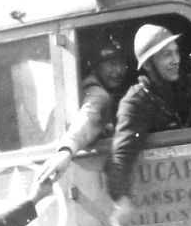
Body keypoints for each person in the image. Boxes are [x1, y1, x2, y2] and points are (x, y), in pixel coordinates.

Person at [106, 24, 191, 226]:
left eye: (176, 52)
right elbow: (119, 158)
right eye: (167, 55)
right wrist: (121, 199)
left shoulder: (177, 88)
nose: (176, 60)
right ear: (148, 65)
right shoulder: (135, 103)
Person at [36, 36, 130, 182]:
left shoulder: (86, 87)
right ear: (96, 67)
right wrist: (66, 151)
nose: (118, 71)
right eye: (111, 64)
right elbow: (88, 117)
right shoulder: (98, 94)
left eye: (122, 64)